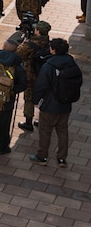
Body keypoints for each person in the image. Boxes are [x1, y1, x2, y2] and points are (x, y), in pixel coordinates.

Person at [30, 38, 83, 167]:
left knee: (45, 131)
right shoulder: (71, 62)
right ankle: (61, 158)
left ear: (53, 50)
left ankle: (42, 156)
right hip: (66, 104)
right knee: (63, 131)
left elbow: (41, 85)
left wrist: (35, 100)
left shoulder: (49, 65)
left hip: (50, 104)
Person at [16, 21, 52, 132]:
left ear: (38, 31)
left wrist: (23, 43)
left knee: (29, 99)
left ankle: (28, 122)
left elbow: (18, 55)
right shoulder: (49, 44)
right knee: (44, 98)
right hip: (44, 77)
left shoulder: (30, 44)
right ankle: (42, 120)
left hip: (30, 76)